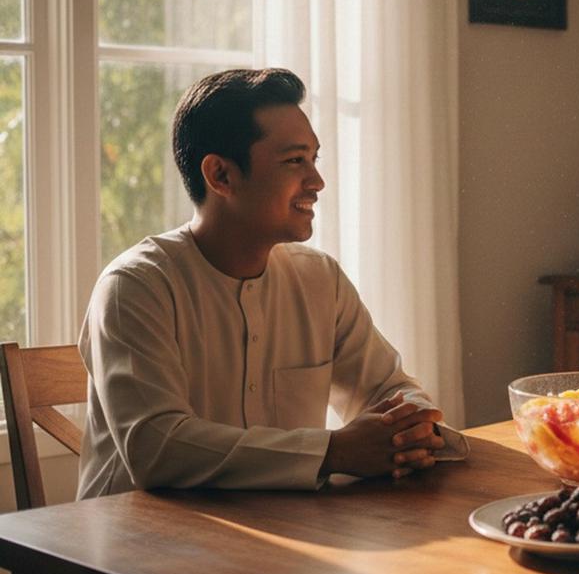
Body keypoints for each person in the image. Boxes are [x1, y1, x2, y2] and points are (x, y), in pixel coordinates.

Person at [76, 68, 468, 499]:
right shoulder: (134, 287)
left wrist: (411, 425)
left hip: (277, 540)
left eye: (314, 159)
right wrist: (332, 452)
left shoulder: (320, 279)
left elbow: (388, 389)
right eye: (295, 161)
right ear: (221, 176)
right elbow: (157, 447)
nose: (317, 183)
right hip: (132, 550)